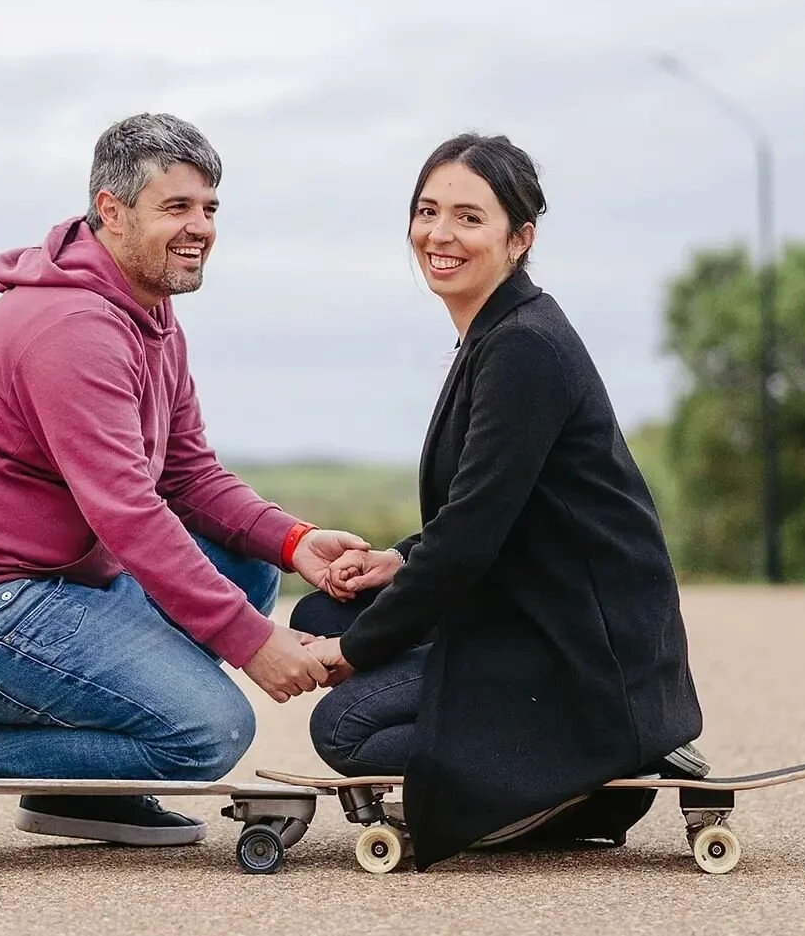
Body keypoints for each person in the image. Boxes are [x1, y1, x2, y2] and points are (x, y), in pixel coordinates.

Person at [0, 113, 369, 848]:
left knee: (245, 564)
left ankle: (97, 793)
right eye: (177, 207)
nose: (200, 227)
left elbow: (187, 475)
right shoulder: (71, 328)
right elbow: (129, 513)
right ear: (112, 209)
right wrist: (253, 641)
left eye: (209, 208)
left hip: (51, 588)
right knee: (210, 731)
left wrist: (293, 541)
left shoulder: (150, 315)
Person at [293, 133, 708, 872]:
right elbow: (491, 511)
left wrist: (352, 654)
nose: (439, 234)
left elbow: (470, 538)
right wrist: (398, 561)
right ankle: (551, 750)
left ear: (520, 238)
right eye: (427, 211)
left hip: (579, 647)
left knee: (345, 727)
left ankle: (594, 762)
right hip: (526, 607)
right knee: (320, 614)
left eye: (468, 217)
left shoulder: (523, 347)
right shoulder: (496, 333)